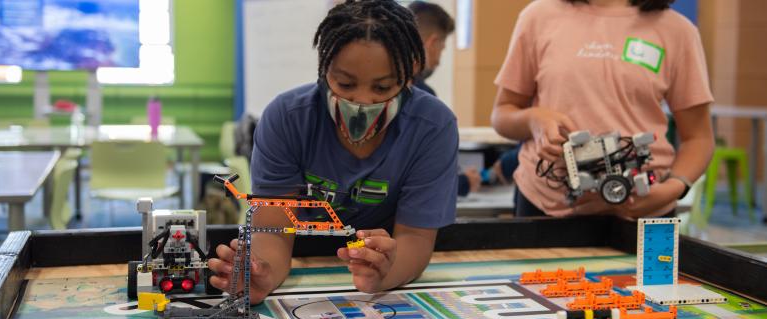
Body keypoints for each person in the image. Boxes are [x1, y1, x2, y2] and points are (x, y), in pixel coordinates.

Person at [208, 0, 458, 303]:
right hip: (301, 260)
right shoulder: (287, 119)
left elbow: (415, 239)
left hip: (387, 263)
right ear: (323, 70)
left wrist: (386, 273)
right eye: (345, 83)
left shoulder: (432, 127)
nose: (362, 101)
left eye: (382, 88)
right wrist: (263, 274)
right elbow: (273, 229)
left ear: (408, 78)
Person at [491, 0, 714, 219]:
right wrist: (534, 120)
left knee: (657, 259)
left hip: (648, 209)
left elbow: (698, 138)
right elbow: (502, 113)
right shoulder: (538, 16)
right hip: (546, 204)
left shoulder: (678, 30)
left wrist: (674, 188)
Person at [408, 1, 480, 196]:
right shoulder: (423, 99)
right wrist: (463, 183)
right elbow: (427, 176)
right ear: (432, 43)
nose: (439, 60)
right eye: (442, 47)